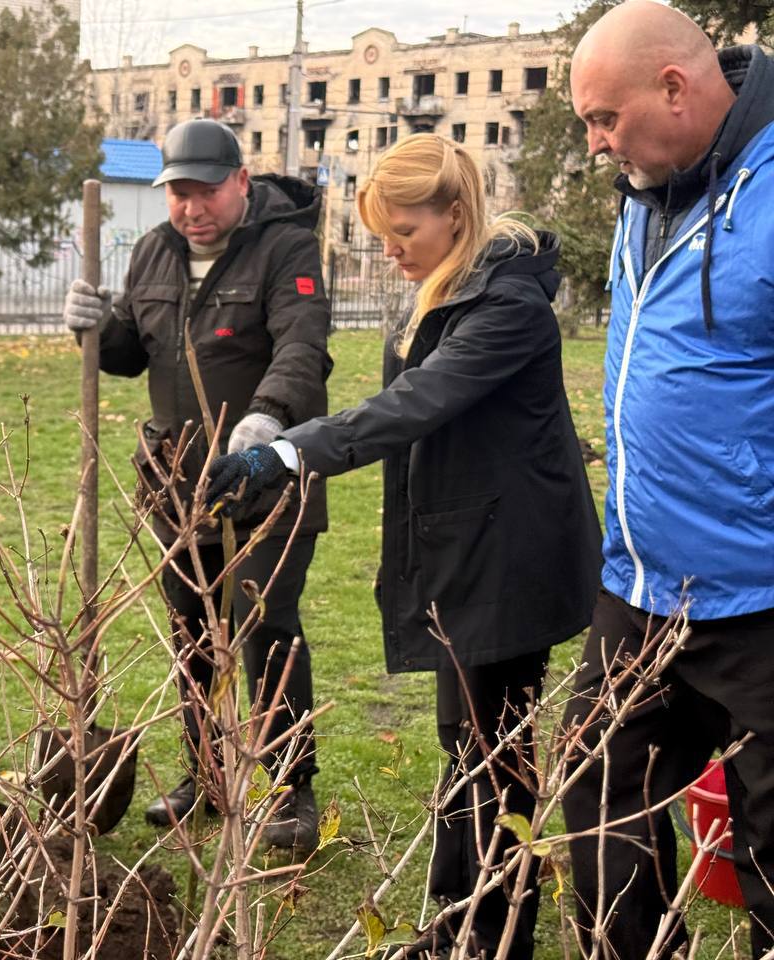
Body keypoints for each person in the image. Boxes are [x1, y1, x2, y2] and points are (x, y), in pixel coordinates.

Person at [207, 133, 602, 957]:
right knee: (469, 747)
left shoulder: (507, 305)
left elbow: (413, 404)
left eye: (404, 234)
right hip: (468, 547)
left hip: (509, 559)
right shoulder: (445, 289)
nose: (391, 252)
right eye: (382, 238)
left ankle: (491, 937)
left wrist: (286, 453)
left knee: (493, 756)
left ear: (456, 214)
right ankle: (460, 926)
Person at [561, 2, 774, 954]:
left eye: (604, 119)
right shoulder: (647, 192)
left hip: (762, 594)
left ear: (676, 89)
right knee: (599, 790)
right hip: (644, 586)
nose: (597, 144)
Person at [63, 119, 332, 850]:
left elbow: (303, 344)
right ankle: (205, 775)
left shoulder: (286, 247)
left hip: (267, 480)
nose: (192, 208)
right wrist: (94, 325)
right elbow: (130, 350)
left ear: (241, 181)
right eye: (179, 193)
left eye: (206, 191)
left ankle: (290, 788)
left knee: (264, 627)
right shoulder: (154, 251)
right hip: (179, 485)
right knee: (191, 633)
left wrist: (267, 417)